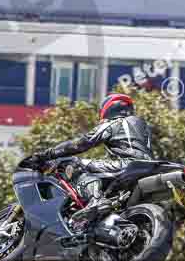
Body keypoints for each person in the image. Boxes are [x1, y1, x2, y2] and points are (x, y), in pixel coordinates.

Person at [24, 93, 154, 226]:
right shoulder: (142, 125)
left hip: (127, 165)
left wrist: (48, 154)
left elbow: (81, 143)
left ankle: (95, 199)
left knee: (73, 163)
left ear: (108, 109)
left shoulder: (115, 122)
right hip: (149, 167)